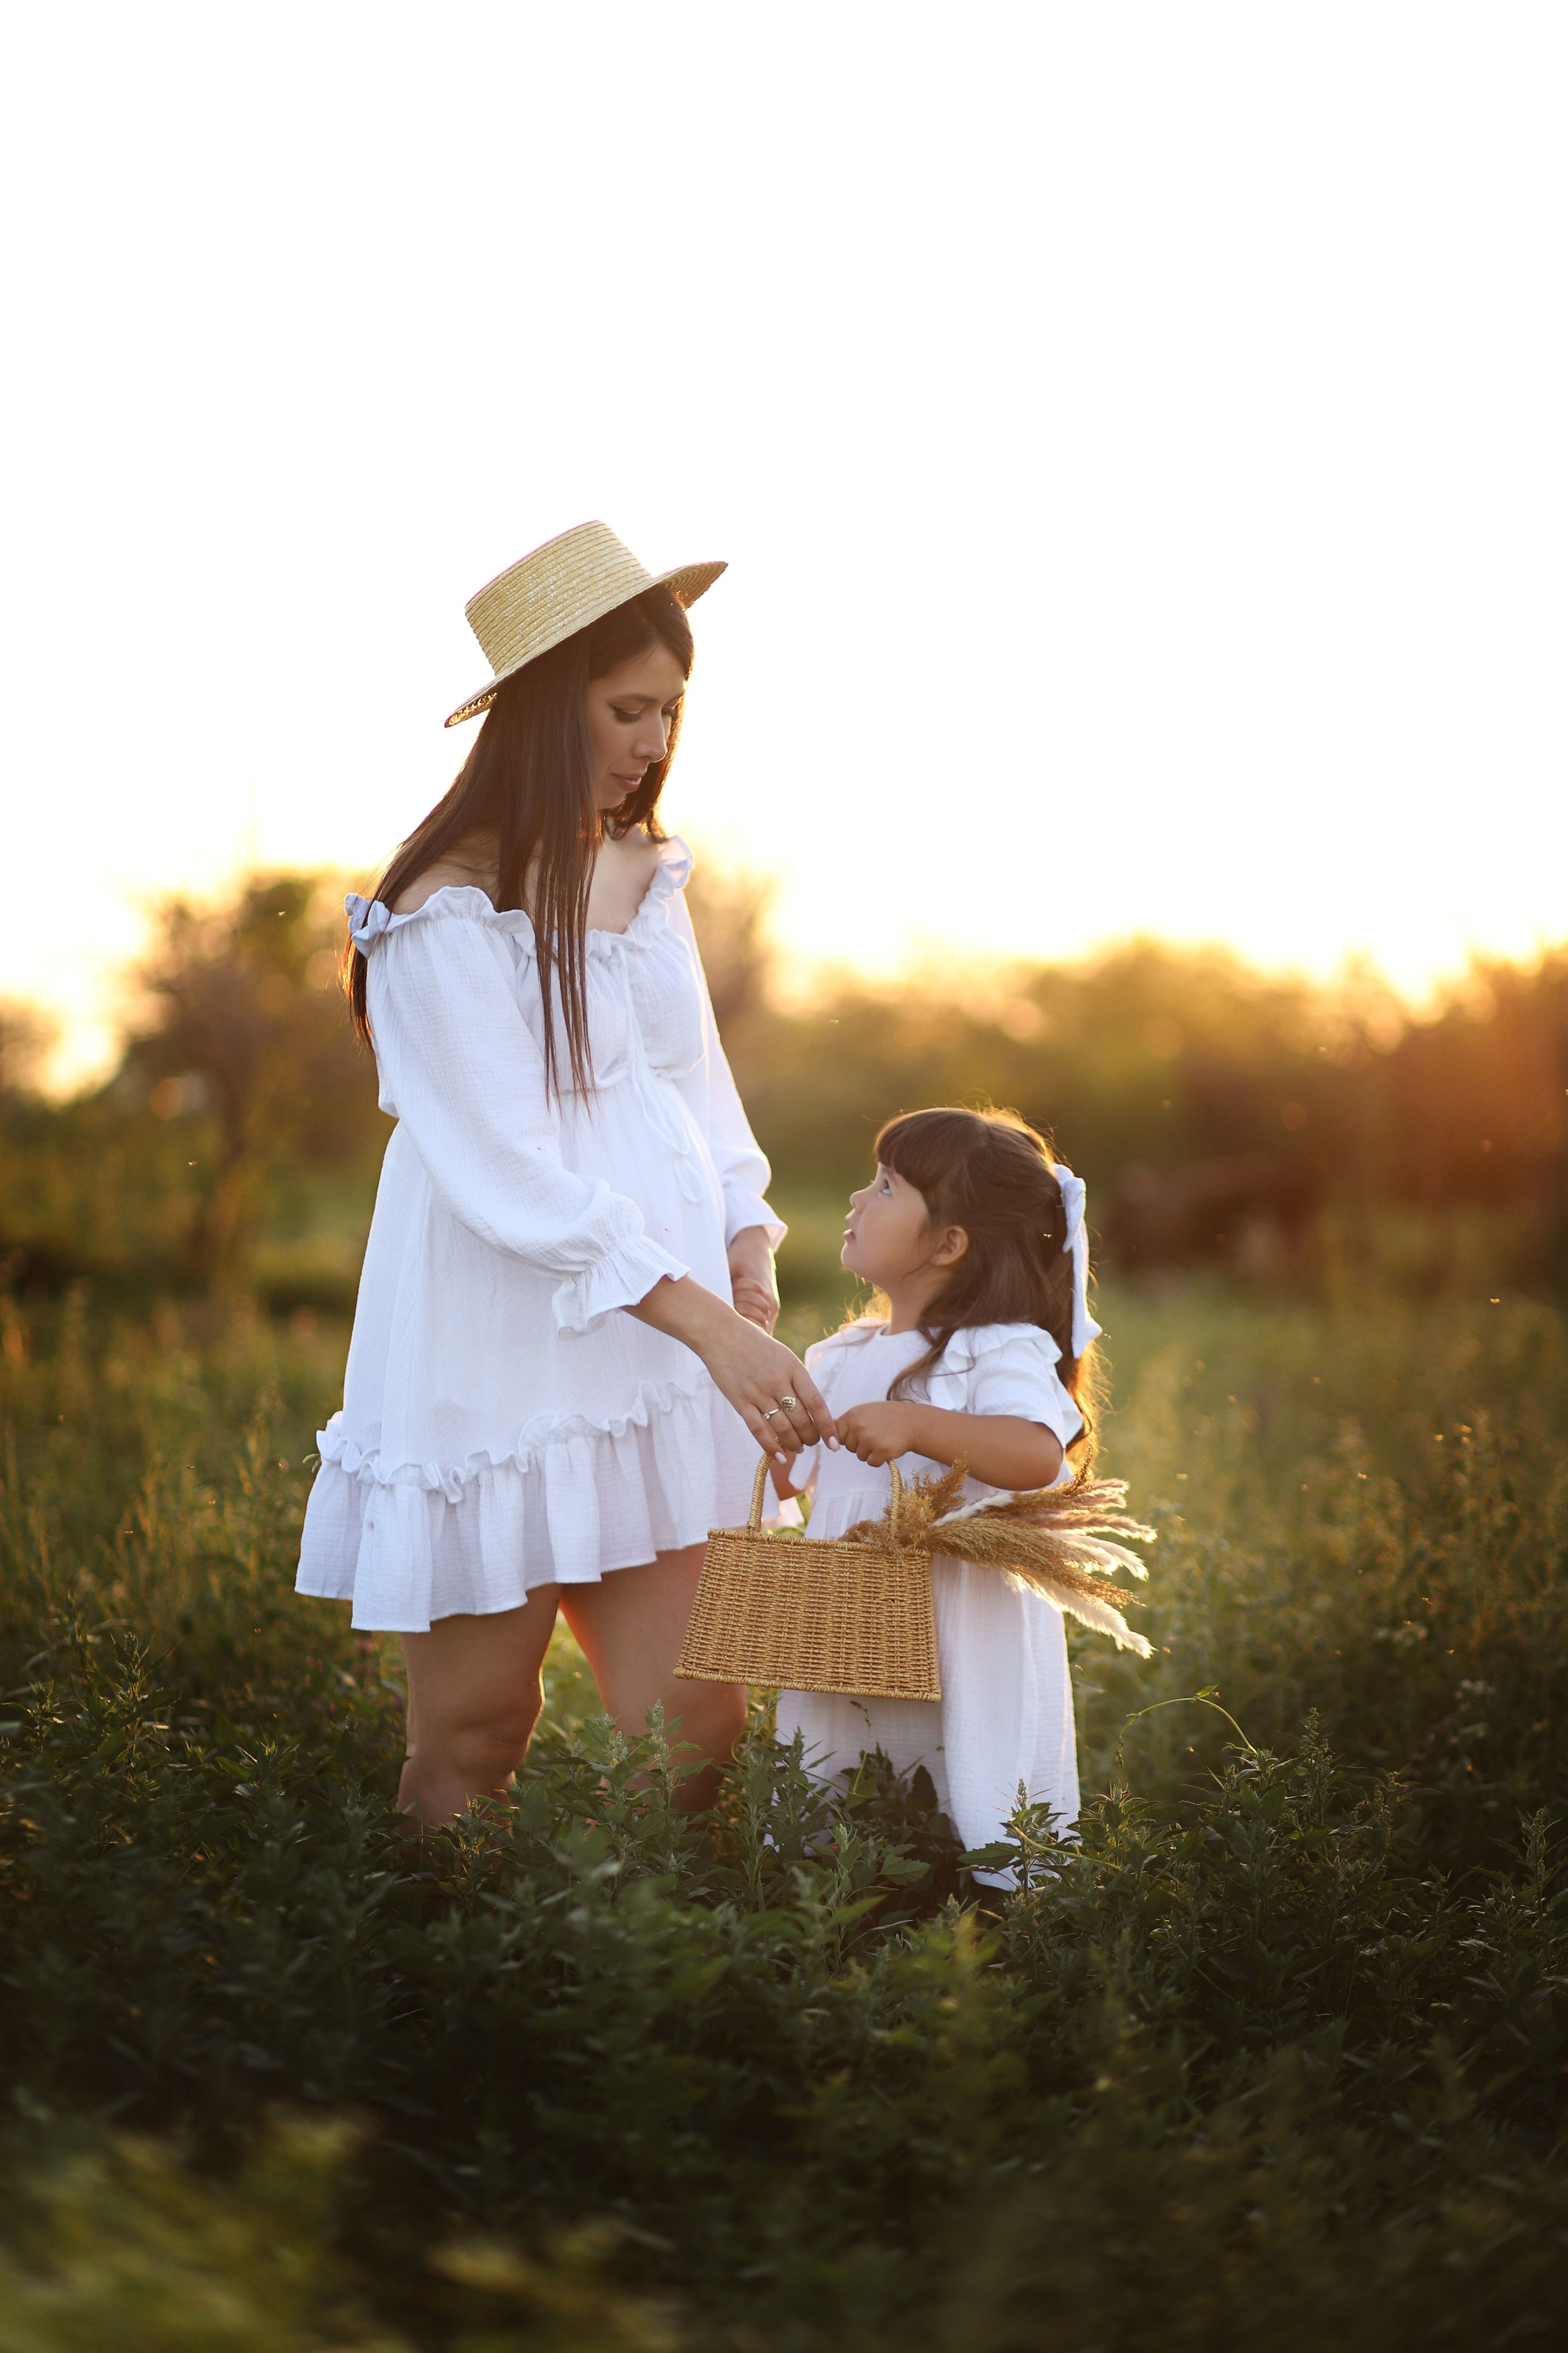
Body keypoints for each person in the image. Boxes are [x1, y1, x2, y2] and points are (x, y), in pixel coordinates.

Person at [296, 521, 837, 1825]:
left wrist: (745, 1243)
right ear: (545, 710)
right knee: (478, 1731)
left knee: (698, 1723)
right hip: (502, 1346)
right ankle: (447, 1997)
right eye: (627, 707)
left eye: (671, 708)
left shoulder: (647, 873)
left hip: (659, 1347)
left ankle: (663, 2004)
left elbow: (692, 1082)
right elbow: (504, 1173)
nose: (655, 739)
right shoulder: (438, 908)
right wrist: (703, 1317)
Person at [774, 1106, 1101, 1882]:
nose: (857, 1199)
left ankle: (989, 1900)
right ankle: (842, 1894)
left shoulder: (994, 1346)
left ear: (950, 1243)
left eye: (885, 1186)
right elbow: (795, 1479)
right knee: (841, 1758)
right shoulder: (839, 1353)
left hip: (960, 1620)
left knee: (968, 1764)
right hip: (853, 1618)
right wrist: (780, 1437)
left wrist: (917, 1423)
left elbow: (1034, 1452)